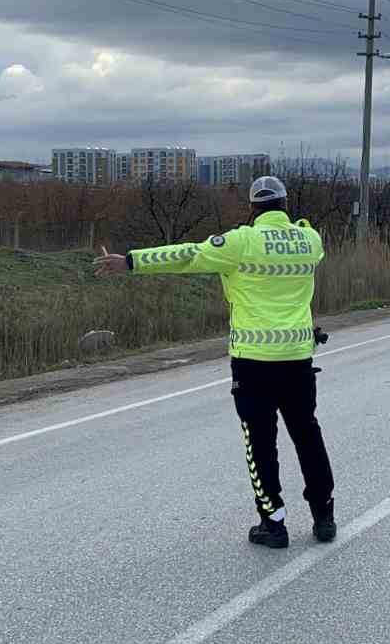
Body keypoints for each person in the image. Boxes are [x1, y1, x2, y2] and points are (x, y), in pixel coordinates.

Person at [93, 176, 335, 550]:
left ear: (253, 208)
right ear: (285, 206)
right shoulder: (310, 240)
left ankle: (273, 523)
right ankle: (324, 515)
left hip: (253, 363)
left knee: (260, 444)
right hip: (298, 359)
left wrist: (130, 262)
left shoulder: (241, 241)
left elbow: (187, 255)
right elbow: (310, 241)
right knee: (307, 434)